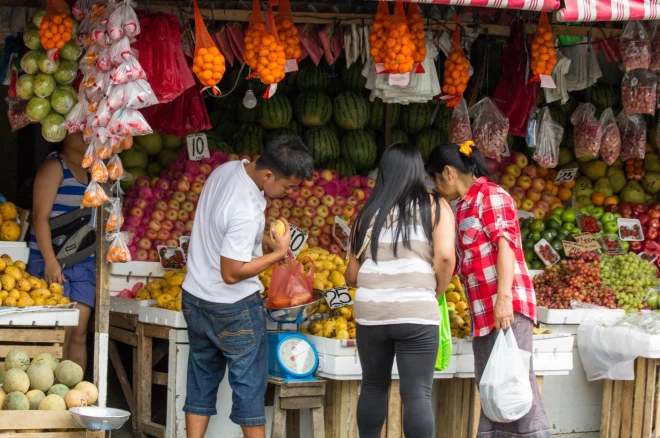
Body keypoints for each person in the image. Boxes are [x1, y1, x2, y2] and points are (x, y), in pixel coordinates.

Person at [181, 136, 314, 438]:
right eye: (288, 186)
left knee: (201, 379)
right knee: (249, 387)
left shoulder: (228, 171)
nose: (289, 194)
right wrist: (277, 254)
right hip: (233, 306)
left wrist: (261, 243)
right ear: (268, 175)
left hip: (195, 297)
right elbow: (231, 272)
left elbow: (220, 232)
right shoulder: (244, 208)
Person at [426, 141, 551, 438]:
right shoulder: (465, 204)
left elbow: (505, 245)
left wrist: (504, 299)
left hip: (505, 306)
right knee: (492, 385)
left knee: (516, 383)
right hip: (483, 311)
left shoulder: (492, 195)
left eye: (434, 179)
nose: (435, 186)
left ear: (447, 172)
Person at [344, 143, 456, 438]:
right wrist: (437, 291)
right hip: (416, 310)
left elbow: (351, 276)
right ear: (418, 172)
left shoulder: (366, 214)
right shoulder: (435, 206)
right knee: (417, 393)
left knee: (372, 385)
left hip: (371, 313)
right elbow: (445, 257)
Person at [27, 132, 95, 371]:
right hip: (50, 262)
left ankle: (74, 395)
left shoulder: (94, 170)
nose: (86, 135)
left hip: (84, 262)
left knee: (79, 331)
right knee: (57, 332)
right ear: (63, 135)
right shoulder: (54, 167)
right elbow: (39, 218)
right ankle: (51, 395)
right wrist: (50, 262)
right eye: (79, 130)